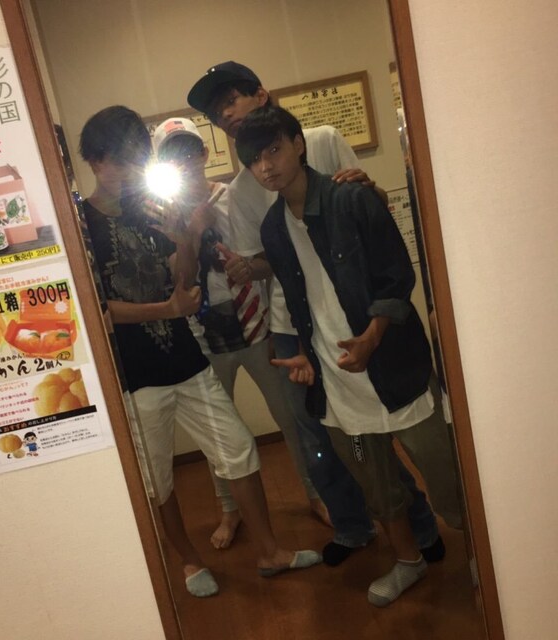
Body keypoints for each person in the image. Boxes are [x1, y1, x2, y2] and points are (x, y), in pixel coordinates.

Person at [187, 61, 445, 565]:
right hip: (293, 325)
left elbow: (371, 208)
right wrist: (245, 269)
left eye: (232, 101)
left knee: (389, 424)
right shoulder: (240, 192)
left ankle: (421, 525)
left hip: (362, 312)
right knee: (321, 437)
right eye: (218, 115)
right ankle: (352, 526)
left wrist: (368, 187)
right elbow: (266, 262)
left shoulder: (321, 140)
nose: (228, 116)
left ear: (262, 94)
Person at [78, 105, 321, 598]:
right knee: (156, 477)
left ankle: (269, 551)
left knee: (238, 447)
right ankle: (188, 561)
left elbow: (183, 281)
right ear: (96, 161)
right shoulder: (80, 223)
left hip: (186, 358)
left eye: (139, 159)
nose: (132, 170)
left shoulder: (146, 209)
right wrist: (167, 308)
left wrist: (185, 237)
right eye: (123, 161)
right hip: (133, 373)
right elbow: (93, 311)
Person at [235, 105, 463, 606]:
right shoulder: (274, 228)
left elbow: (397, 278)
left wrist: (372, 336)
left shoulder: (351, 198)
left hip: (394, 369)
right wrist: (303, 355)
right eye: (254, 159)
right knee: (376, 483)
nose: (266, 166)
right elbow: (299, 300)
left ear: (298, 144)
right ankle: (408, 561)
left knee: (445, 474)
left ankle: (485, 553)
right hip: (338, 384)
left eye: (273, 150)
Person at [152, 116, 330, 549]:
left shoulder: (235, 196)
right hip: (204, 339)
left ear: (204, 153)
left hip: (256, 326)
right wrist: (191, 235)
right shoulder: (163, 216)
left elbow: (272, 259)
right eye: (173, 155)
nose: (185, 161)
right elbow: (180, 284)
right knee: (218, 434)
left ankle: (315, 492)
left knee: (291, 418)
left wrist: (248, 267)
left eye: (189, 150)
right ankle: (229, 509)